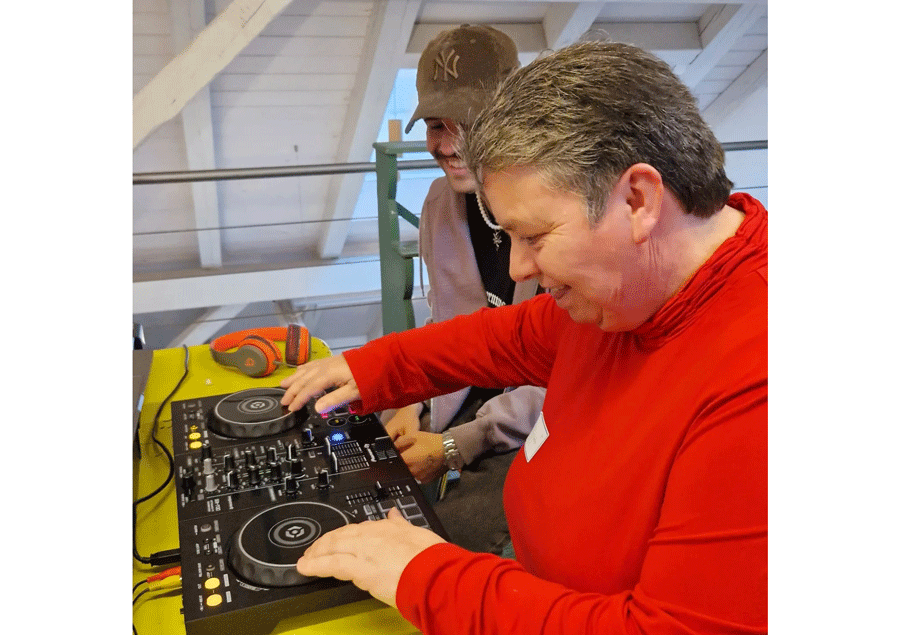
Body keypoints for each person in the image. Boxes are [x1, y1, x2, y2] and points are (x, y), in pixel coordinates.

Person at [281, 40, 767, 635]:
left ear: (638, 200)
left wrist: (424, 574)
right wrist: (373, 367)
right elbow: (505, 336)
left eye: (535, 235)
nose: (517, 270)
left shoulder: (758, 377)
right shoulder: (631, 291)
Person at [380, 24, 546, 555]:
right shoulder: (440, 202)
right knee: (370, 448)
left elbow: (571, 371)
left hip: (545, 418)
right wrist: (409, 399)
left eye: (466, 124)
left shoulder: (561, 204)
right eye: (434, 125)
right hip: (472, 393)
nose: (446, 144)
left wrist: (457, 444)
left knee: (448, 540)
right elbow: (448, 326)